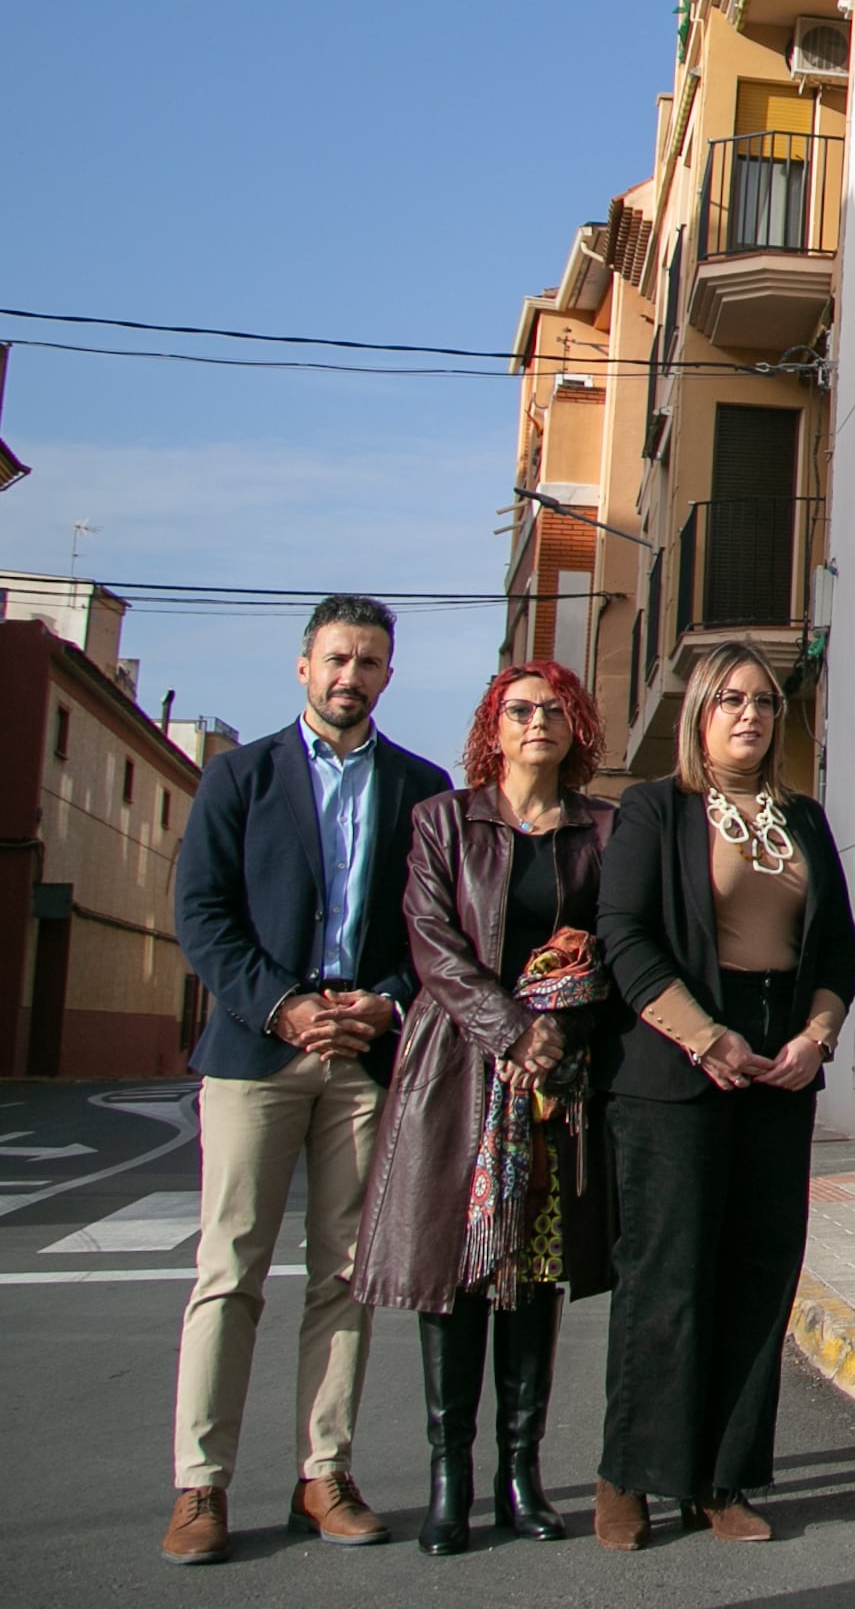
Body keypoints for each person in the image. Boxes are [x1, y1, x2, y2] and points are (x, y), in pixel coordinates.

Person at [164, 596, 452, 1565]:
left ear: (387, 675)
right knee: (228, 1270)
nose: (350, 677)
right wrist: (281, 1005)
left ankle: (322, 1473)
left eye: (369, 662)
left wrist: (384, 1000)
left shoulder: (421, 787)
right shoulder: (238, 778)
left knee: (343, 1275)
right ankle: (199, 1485)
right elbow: (202, 915)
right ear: (302, 667)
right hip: (258, 1053)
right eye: (336, 659)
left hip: (365, 1059)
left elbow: (434, 929)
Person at [351, 661, 622, 1554]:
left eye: (554, 709)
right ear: (492, 729)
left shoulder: (602, 830)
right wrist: (514, 1029)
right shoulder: (443, 820)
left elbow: (617, 947)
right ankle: (448, 1480)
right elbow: (430, 941)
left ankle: (520, 1472)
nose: (537, 721)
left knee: (533, 1280)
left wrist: (562, 1027)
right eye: (520, 710)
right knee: (456, 1278)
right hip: (456, 1074)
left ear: (575, 726)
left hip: (557, 1085)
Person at [592, 641, 855, 1547]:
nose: (751, 715)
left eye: (766, 702)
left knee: (756, 1274)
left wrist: (813, 1039)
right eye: (731, 699)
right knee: (667, 1275)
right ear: (699, 713)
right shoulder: (652, 811)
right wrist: (705, 1036)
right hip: (676, 1063)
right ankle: (630, 1472)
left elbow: (837, 958)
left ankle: (721, 1479)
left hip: (780, 1064)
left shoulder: (807, 821)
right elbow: (624, 937)